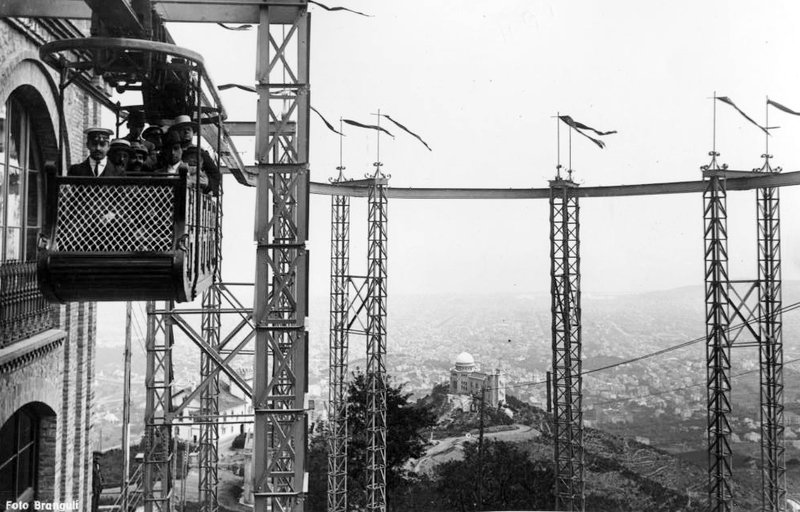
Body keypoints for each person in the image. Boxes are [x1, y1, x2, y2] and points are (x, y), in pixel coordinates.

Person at [170, 114, 220, 195]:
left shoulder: (200, 153)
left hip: (193, 194)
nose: (186, 132)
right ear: (177, 133)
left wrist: (208, 184)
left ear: (193, 132)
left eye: (189, 129)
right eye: (183, 130)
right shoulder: (170, 151)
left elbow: (215, 174)